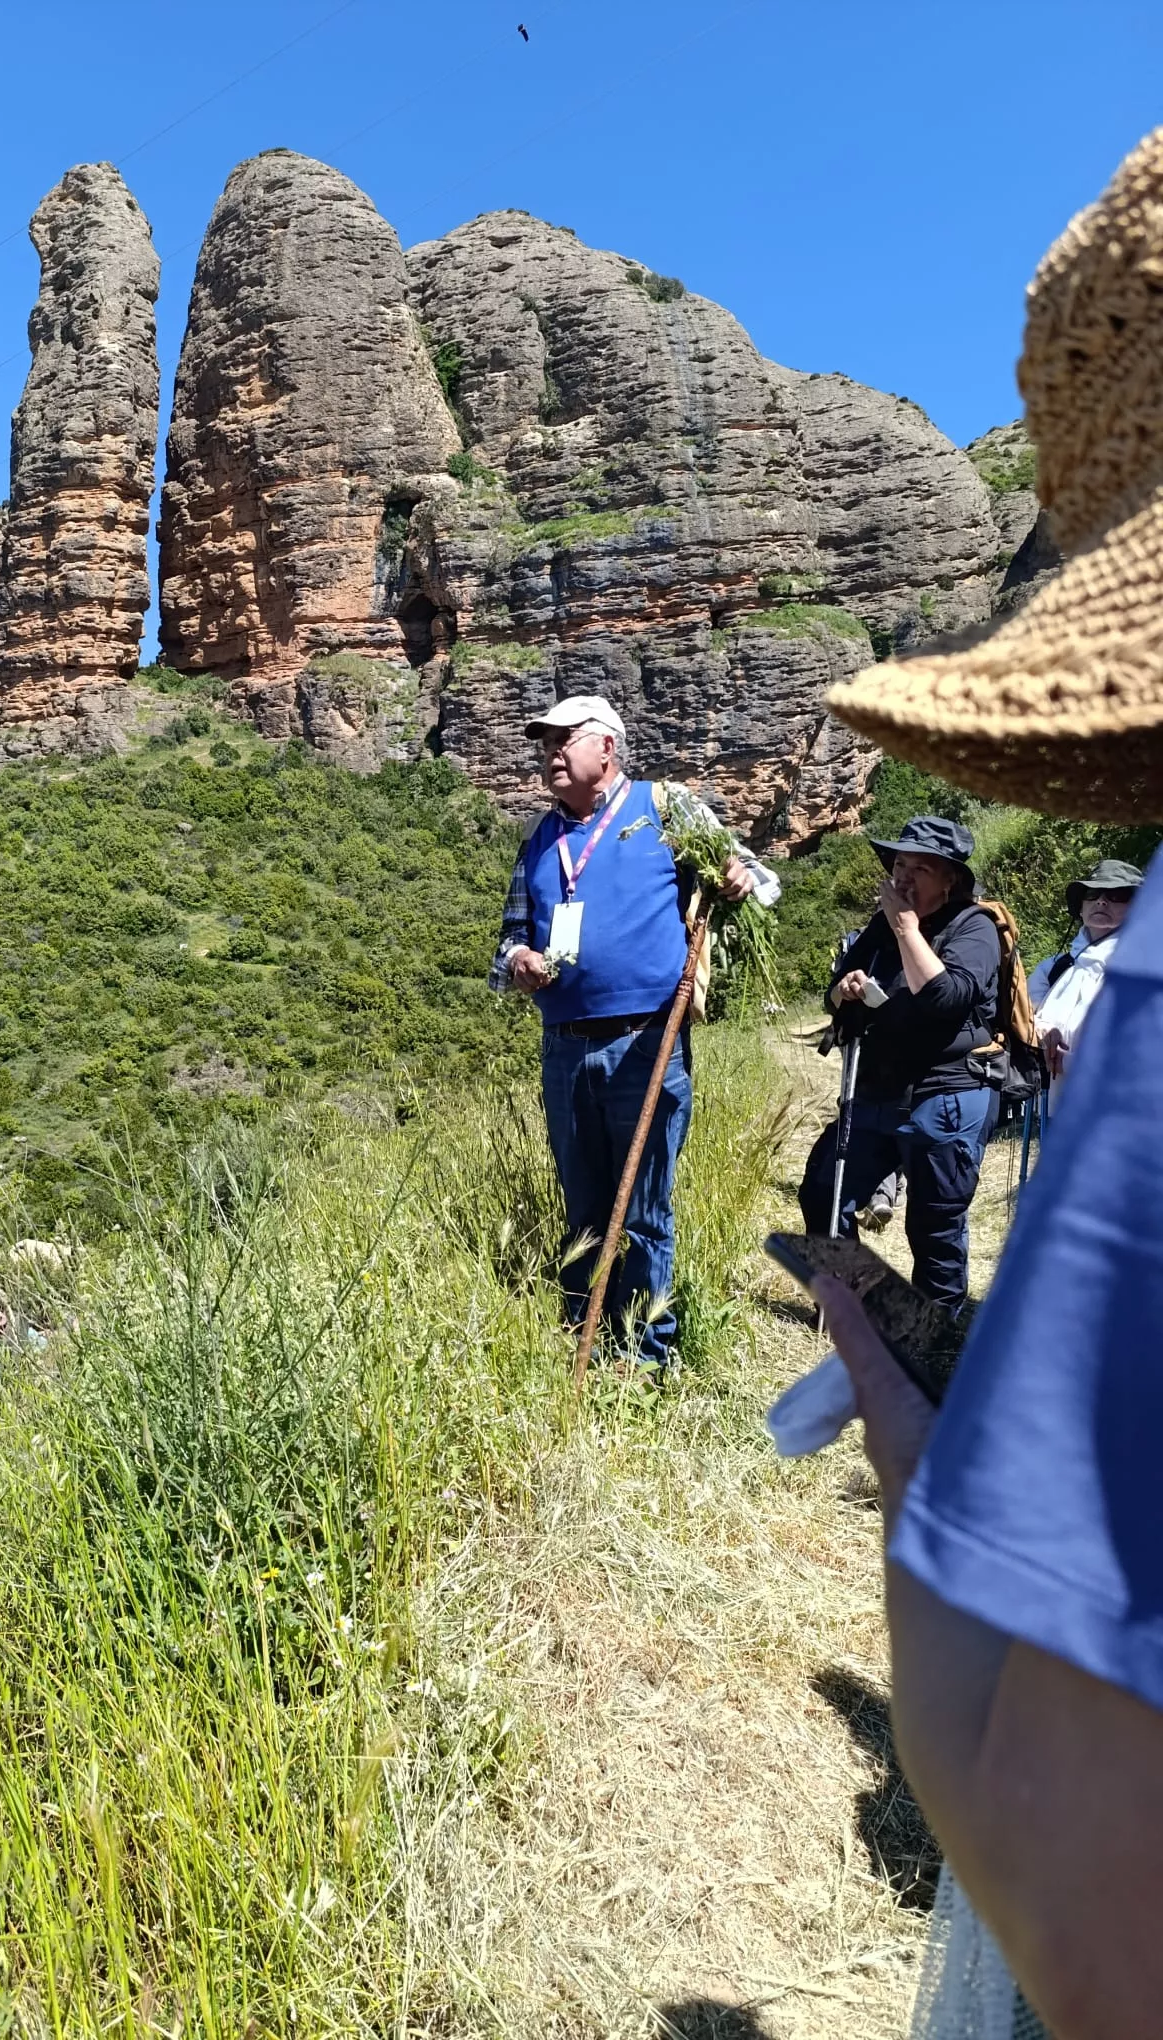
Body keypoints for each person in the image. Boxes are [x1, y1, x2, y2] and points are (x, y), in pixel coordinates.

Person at [821, 123, 1163, 2035]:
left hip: (960, 1121)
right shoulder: (905, 935)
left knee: (937, 1287)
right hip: (902, 1105)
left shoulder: (1094, 966)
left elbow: (1079, 1891)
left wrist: (908, 1466)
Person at [490, 693, 779, 1369]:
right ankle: (583, 1335)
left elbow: (763, 884)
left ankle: (647, 1355)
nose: (551, 754)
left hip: (645, 1041)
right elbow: (505, 942)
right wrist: (519, 960)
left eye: (564, 740)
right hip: (564, 1049)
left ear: (607, 748)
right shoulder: (539, 839)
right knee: (585, 1203)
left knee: (644, 1205)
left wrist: (737, 879)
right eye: (545, 745)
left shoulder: (665, 807)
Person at [798, 816, 1001, 1308]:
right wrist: (843, 991)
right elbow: (837, 990)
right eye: (899, 864)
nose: (903, 876)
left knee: (934, 1221)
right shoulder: (879, 927)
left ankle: (938, 1326)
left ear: (950, 879)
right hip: (879, 1088)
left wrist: (908, 928)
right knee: (823, 1192)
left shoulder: (975, 928)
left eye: (921, 868)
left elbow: (945, 998)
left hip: (948, 1093)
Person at [1026, 858, 1143, 1084]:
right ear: (1080, 907)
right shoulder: (1052, 968)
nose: (1101, 902)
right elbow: (1025, 1017)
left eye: (1116, 895)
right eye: (1092, 894)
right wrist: (1042, 1033)